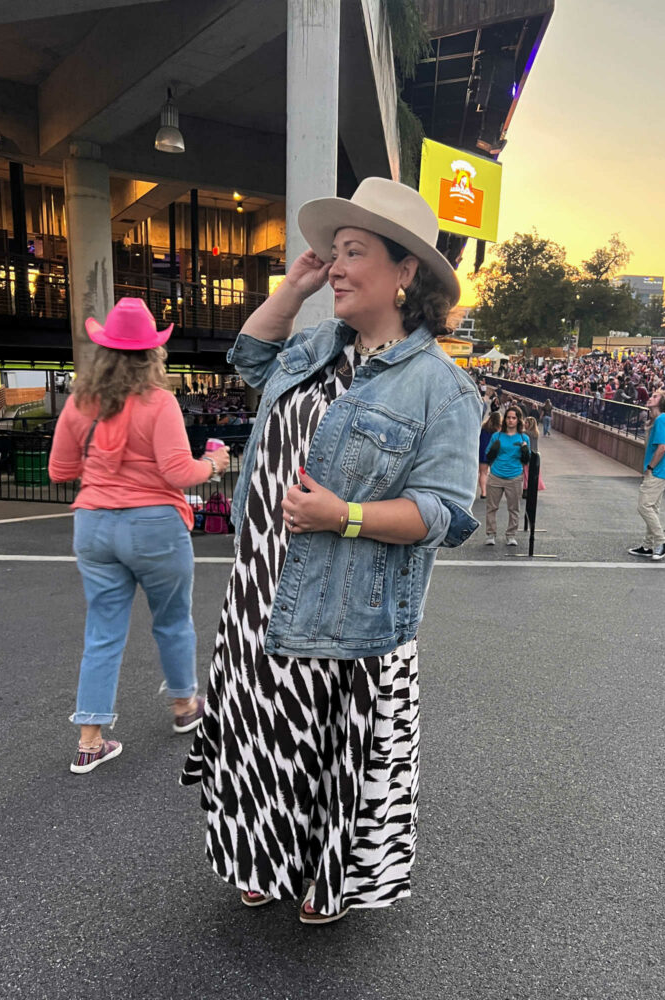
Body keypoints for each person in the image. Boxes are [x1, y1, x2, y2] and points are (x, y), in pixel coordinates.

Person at [180, 177, 482, 924]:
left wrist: (342, 515)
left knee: (324, 747)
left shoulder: (441, 389)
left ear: (406, 272)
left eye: (355, 253)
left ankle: (324, 880)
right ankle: (259, 856)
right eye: (334, 252)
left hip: (346, 602)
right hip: (260, 587)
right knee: (260, 733)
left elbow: (444, 513)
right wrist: (296, 284)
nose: (338, 266)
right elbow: (250, 356)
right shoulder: (318, 344)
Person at [48, 298, 229, 774]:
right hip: (154, 526)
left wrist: (103, 466)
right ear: (153, 353)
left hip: (93, 524)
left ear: (103, 351)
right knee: (172, 619)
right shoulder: (159, 401)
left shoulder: (79, 404)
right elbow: (178, 471)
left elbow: (59, 470)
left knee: (103, 629)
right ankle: (185, 706)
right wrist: (214, 464)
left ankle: (90, 738)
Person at [628, 388, 665, 561]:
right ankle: (648, 545)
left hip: (657, 470)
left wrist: (650, 466)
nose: (650, 397)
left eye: (655, 396)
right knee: (652, 508)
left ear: (662, 402)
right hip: (662, 470)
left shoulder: (662, 420)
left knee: (644, 506)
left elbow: (662, 447)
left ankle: (662, 541)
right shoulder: (662, 420)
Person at [483, 404, 530, 546]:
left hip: (514, 476)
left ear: (518, 420)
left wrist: (525, 451)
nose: (510, 420)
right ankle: (491, 534)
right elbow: (487, 455)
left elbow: (526, 461)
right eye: (508, 418)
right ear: (505, 420)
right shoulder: (496, 436)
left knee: (514, 508)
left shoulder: (523, 438)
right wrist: (493, 450)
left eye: (513, 418)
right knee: (492, 507)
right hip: (496, 475)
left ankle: (511, 535)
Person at [478, 410, 502, 500]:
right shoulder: (499, 430)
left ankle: (484, 492)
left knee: (483, 473)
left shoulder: (483, 428)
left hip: (483, 452)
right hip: (495, 453)